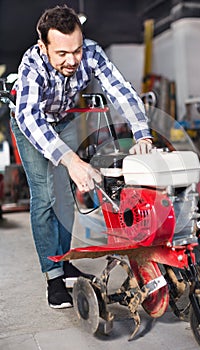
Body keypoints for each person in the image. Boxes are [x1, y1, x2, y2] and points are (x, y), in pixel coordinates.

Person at [11, 5, 153, 309]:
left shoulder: (91, 53)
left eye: (75, 50)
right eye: (61, 53)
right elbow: (31, 118)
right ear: (43, 46)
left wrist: (142, 133)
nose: (72, 60)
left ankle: (65, 260)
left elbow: (120, 91)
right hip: (30, 126)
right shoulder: (31, 65)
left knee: (66, 194)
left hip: (64, 120)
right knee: (46, 196)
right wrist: (71, 160)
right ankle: (53, 275)